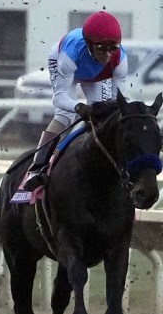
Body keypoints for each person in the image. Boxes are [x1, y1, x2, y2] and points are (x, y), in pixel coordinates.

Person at [23, 11, 127, 191]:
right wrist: (79, 107)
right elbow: (60, 99)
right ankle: (37, 168)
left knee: (101, 116)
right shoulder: (70, 54)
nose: (108, 55)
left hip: (95, 76)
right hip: (63, 62)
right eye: (102, 48)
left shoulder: (120, 60)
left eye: (113, 48)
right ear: (89, 44)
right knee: (65, 114)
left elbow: (118, 102)